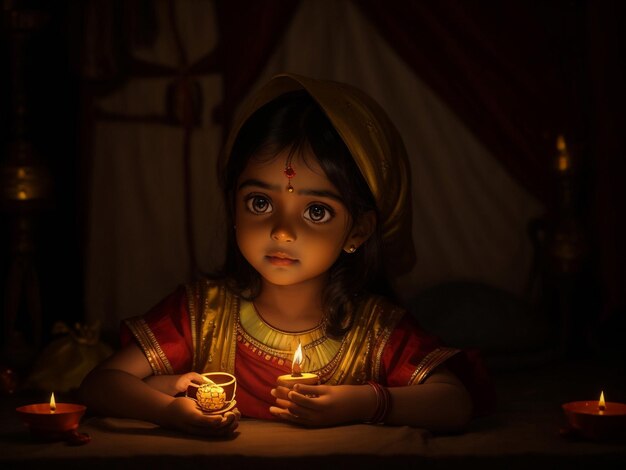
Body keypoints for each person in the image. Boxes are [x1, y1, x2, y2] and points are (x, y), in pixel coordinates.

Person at [80, 73, 491, 438]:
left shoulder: (375, 331)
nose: (281, 230)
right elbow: (102, 384)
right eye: (259, 203)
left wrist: (366, 402)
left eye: (316, 211)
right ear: (233, 208)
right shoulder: (201, 314)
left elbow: (454, 404)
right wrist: (169, 409)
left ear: (359, 231)